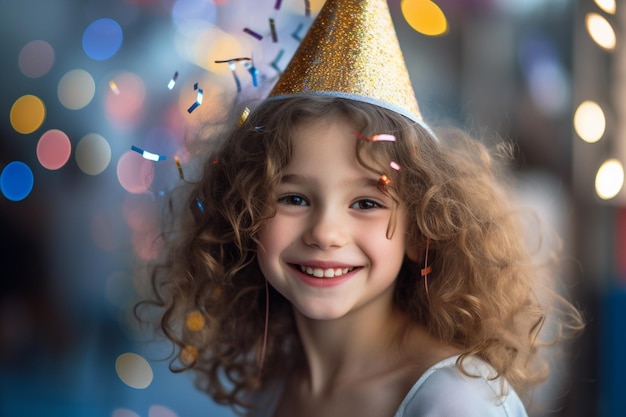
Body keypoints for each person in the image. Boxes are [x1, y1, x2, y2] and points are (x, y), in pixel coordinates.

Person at [138, 0, 584, 416]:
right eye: (293, 198)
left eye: (367, 202)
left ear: (421, 232)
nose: (326, 232)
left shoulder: (458, 402)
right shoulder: (272, 383)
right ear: (244, 216)